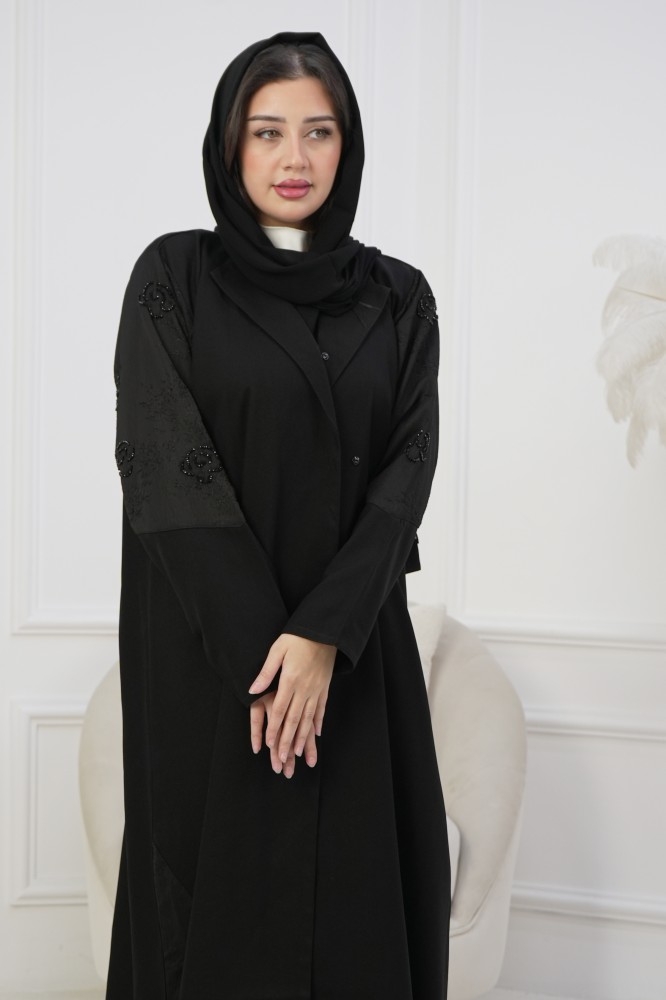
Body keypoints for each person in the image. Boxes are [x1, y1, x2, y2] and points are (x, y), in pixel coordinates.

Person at [110, 30, 450, 1000]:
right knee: (215, 912)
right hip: (212, 661)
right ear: (231, 146)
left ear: (348, 145)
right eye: (267, 132)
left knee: (358, 910)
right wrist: (269, 656)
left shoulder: (399, 298)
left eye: (318, 131)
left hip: (353, 654)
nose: (293, 157)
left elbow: (407, 470)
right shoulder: (174, 278)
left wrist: (321, 636)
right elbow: (166, 468)